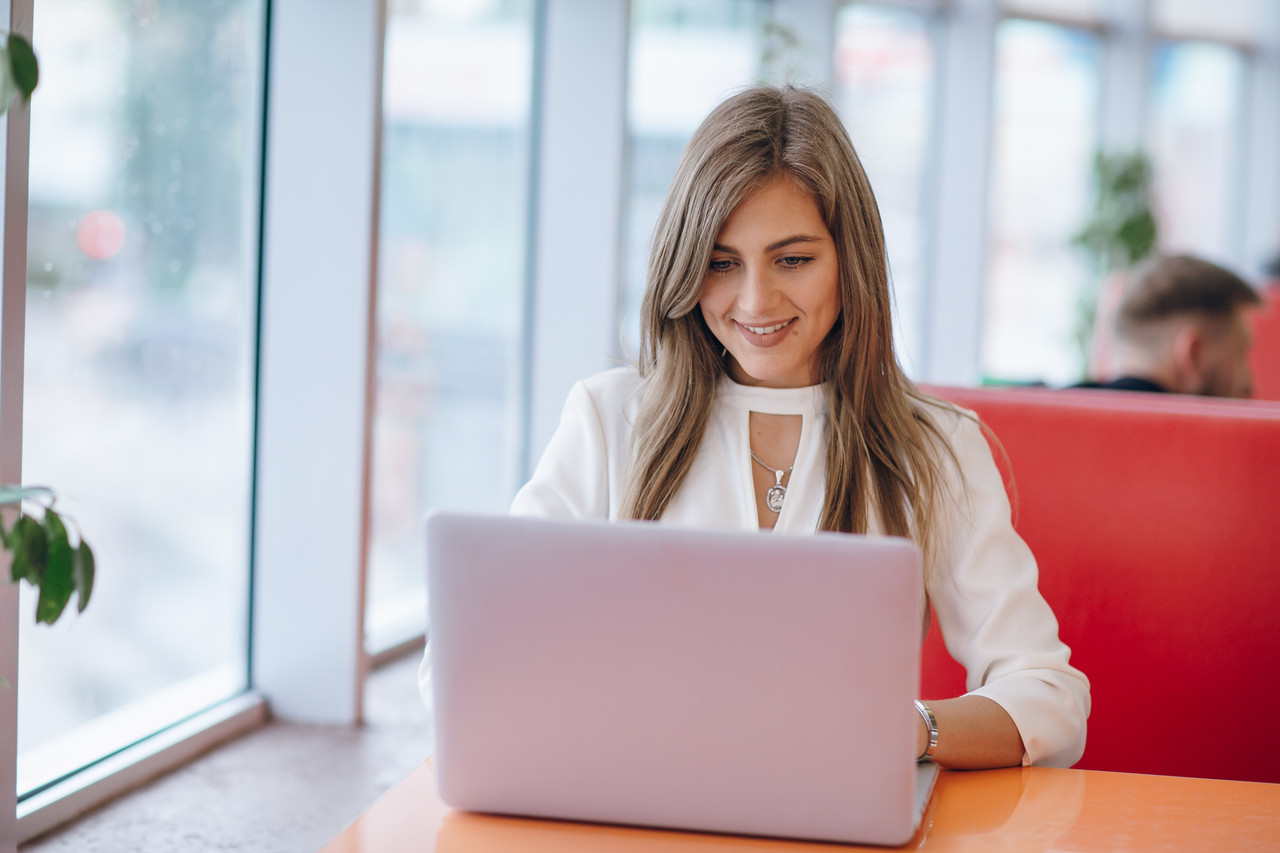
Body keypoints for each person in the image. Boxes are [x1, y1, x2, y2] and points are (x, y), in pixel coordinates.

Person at [421, 85, 1089, 770]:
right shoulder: (609, 418)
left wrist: (909, 729)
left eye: (793, 259)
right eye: (721, 262)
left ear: (849, 260)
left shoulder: (933, 446)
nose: (755, 301)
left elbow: (1050, 697)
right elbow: (465, 652)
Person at [1074, 254, 1261, 397]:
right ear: (1193, 356)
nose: (1249, 385)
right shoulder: (1197, 447)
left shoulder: (1051, 419)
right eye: (1240, 354)